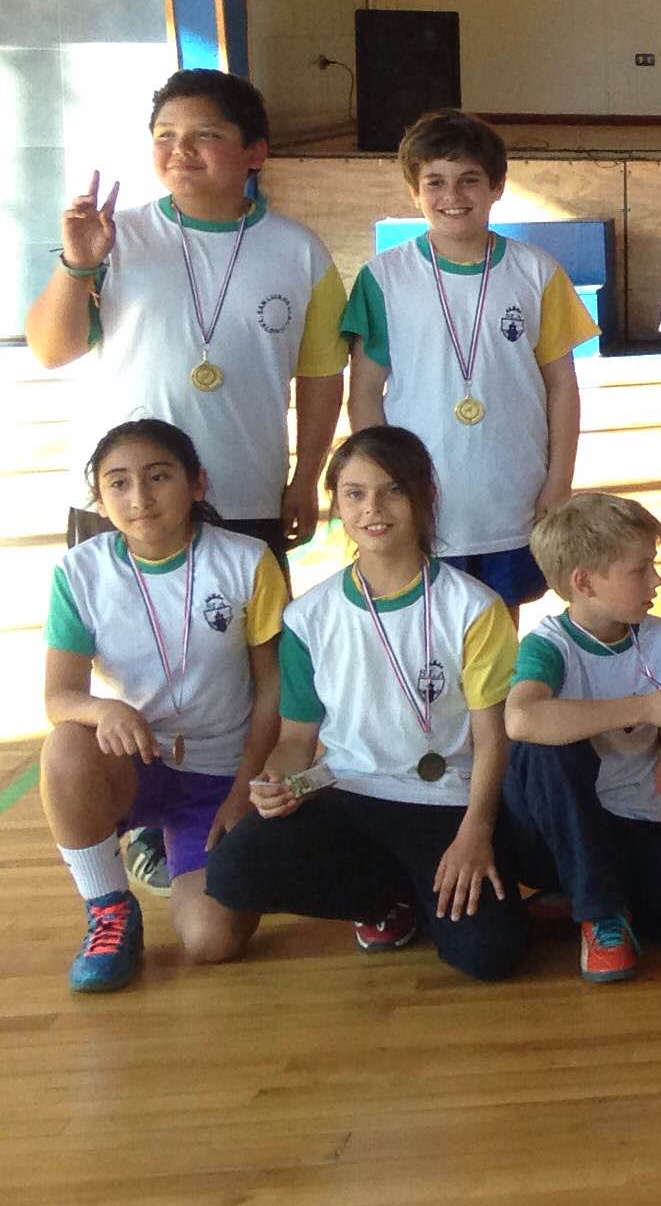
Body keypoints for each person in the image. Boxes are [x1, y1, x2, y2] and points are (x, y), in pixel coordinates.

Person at [204, 428, 530, 979]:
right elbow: (296, 739)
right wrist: (275, 780)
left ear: (426, 495)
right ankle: (387, 902)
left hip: (446, 801)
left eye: (392, 490)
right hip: (346, 792)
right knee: (233, 870)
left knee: (489, 956)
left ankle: (431, 892)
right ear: (336, 503)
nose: (372, 508)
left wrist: (475, 832)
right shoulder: (308, 616)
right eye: (354, 494)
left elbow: (491, 737)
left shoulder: (474, 608)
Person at [28, 67, 344, 554]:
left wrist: (305, 478)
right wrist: (77, 264)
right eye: (165, 135)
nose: (181, 149)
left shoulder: (300, 251)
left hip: (244, 493)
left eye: (207, 135)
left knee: (248, 608)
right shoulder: (113, 237)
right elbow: (51, 351)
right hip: (120, 501)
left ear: (255, 153)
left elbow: (321, 376)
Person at [40, 420, 286, 991]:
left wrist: (244, 788)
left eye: (158, 477)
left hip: (219, 774)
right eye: (119, 483)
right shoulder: (79, 572)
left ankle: (199, 854)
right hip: (135, 762)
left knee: (212, 941)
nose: (140, 498)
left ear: (196, 483)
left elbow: (273, 687)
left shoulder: (246, 560)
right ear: (99, 497)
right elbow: (58, 697)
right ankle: (108, 908)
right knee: (66, 745)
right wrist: (103, 711)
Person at [499, 492, 661, 981]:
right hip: (547, 831)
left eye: (654, 565)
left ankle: (582, 896)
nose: (657, 580)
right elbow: (520, 719)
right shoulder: (548, 645)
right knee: (548, 745)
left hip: (626, 825)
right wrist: (644, 707)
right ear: (584, 582)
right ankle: (600, 913)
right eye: (640, 570)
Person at [342, 109, 596, 613]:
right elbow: (366, 393)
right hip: (420, 496)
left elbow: (563, 386)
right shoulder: (384, 278)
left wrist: (558, 481)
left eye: (469, 180)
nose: (452, 195)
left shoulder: (537, 272)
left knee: (500, 623)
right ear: (414, 192)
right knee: (423, 622)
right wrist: (381, 486)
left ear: (497, 186)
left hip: (511, 491)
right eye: (435, 182)